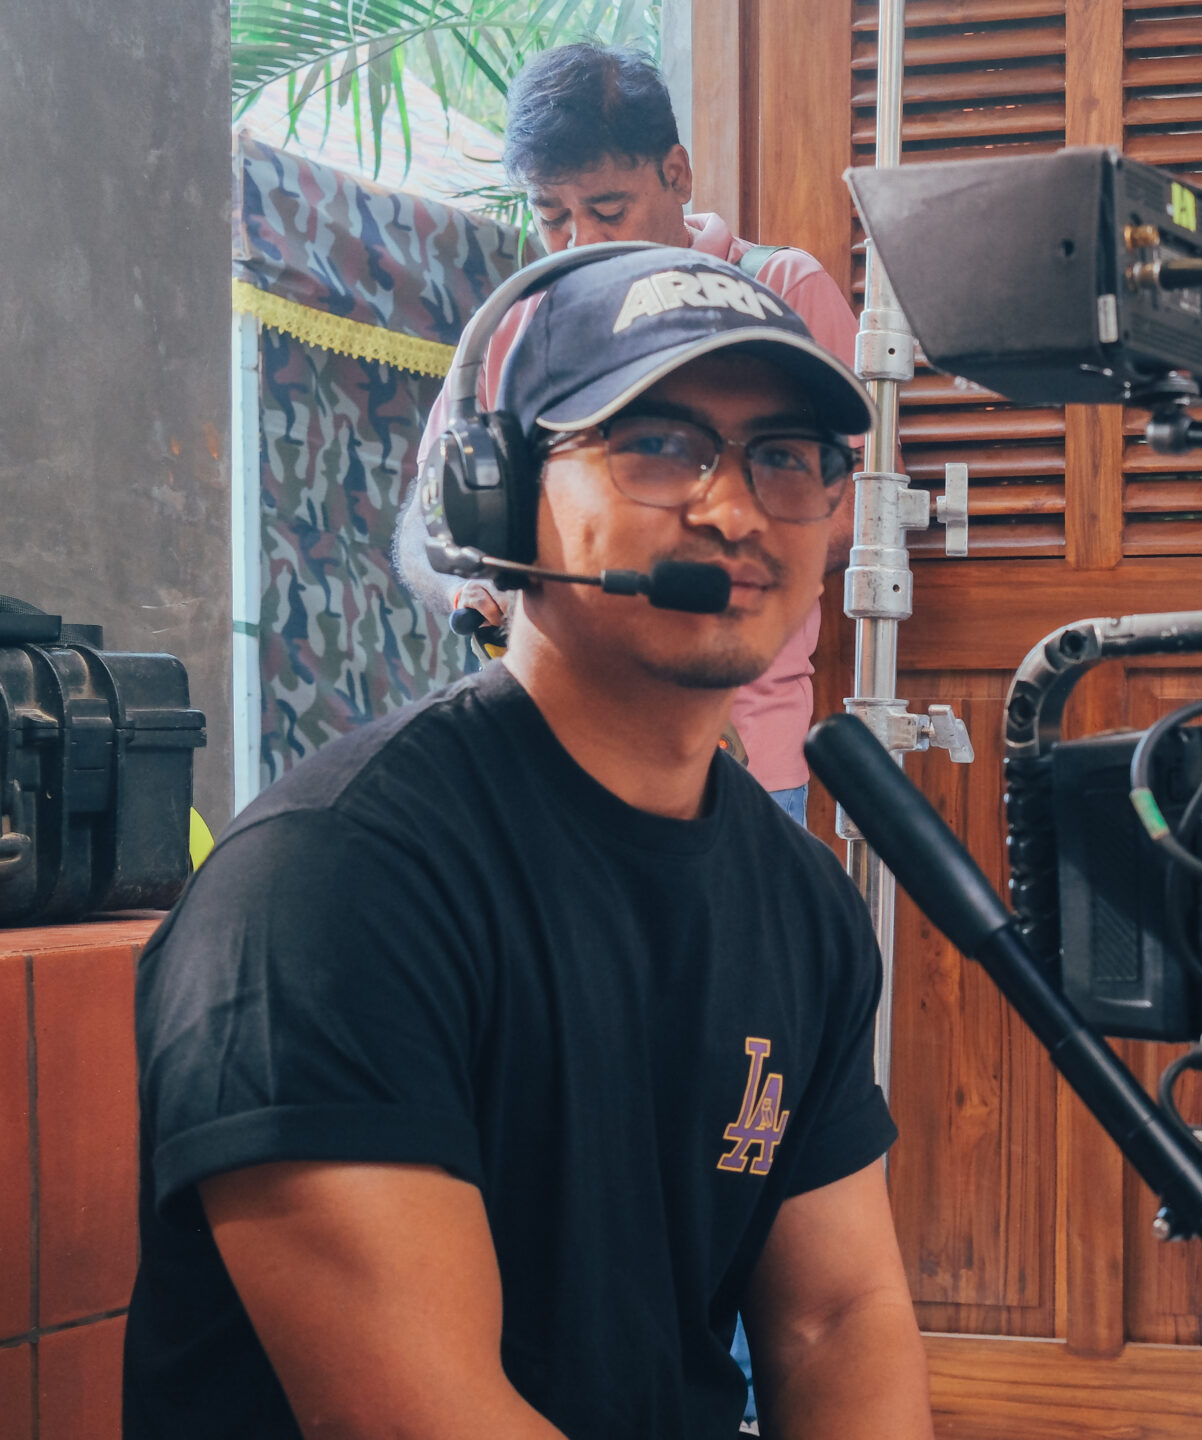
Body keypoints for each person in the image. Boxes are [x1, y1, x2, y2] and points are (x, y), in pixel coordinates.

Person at [125, 248, 933, 1439]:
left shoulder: (800, 901)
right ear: (495, 497)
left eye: (784, 456)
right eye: (658, 443)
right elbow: (426, 1419)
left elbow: (837, 1317)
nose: (733, 511)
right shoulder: (328, 886)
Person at [396, 40, 856, 826]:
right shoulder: (516, 326)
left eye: (608, 210)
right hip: (550, 753)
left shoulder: (780, 290)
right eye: (552, 216)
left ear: (677, 174)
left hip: (743, 757)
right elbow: (428, 518)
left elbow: (858, 512)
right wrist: (467, 585)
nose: (581, 241)